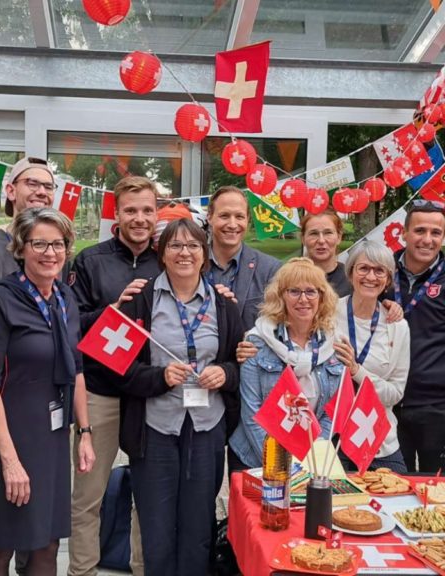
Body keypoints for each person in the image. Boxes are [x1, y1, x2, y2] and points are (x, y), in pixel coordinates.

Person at [110, 218, 242, 576]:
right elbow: (118, 369)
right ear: (162, 254)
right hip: (155, 428)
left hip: (206, 426)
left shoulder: (225, 304)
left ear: (205, 254)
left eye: (193, 246)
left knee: (199, 526)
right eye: (175, 246)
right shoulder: (140, 300)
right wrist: (159, 377)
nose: (185, 253)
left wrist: (225, 373)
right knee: (156, 529)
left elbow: (239, 363)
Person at [0, 207, 95, 576]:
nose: (50, 253)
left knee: (48, 540)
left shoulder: (64, 297)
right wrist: (9, 460)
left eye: (58, 244)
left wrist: (85, 432)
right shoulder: (1, 299)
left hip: (53, 436)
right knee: (3, 544)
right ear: (21, 248)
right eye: (39, 244)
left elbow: (76, 368)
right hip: (14, 435)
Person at [68, 175, 159, 576]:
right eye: (131, 210)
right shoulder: (90, 260)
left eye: (147, 210)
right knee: (88, 496)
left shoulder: (170, 257)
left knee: (147, 496)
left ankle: (141, 568)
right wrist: (113, 314)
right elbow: (70, 322)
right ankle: (82, 571)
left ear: (157, 213)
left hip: (149, 394)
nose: (139, 219)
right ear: (116, 214)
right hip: (100, 393)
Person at [229, 258, 343, 470]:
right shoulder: (257, 342)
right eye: (294, 291)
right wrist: (282, 466)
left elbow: (332, 412)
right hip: (256, 457)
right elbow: (252, 414)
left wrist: (312, 459)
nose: (303, 299)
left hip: (311, 460)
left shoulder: (334, 344)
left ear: (321, 296)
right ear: (281, 296)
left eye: (311, 291)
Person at [332, 241, 409, 473]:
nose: (371, 277)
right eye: (363, 268)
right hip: (333, 438)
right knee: (330, 507)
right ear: (351, 272)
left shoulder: (398, 326)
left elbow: (395, 394)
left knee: (397, 501)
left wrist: (357, 371)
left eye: (379, 271)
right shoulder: (326, 313)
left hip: (378, 439)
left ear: (387, 279)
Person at [389, 199, 445, 473]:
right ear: (404, 233)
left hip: (436, 405)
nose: (427, 239)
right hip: (387, 402)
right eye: (420, 230)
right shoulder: (381, 272)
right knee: (393, 484)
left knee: (438, 490)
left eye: (436, 233)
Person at [0, 157, 56, 292]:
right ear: (11, 191)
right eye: (32, 183)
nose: (42, 192)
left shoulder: (56, 253)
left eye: (48, 186)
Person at [207, 185, 281, 331]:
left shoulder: (270, 270)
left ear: (247, 220)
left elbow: (279, 325)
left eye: (239, 216)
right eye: (224, 216)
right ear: (209, 217)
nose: (232, 224)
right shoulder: (190, 264)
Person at [301, 208, 351, 297]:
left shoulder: (351, 279)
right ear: (303, 239)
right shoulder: (290, 276)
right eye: (314, 233)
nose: (321, 240)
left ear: (339, 237)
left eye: (328, 233)